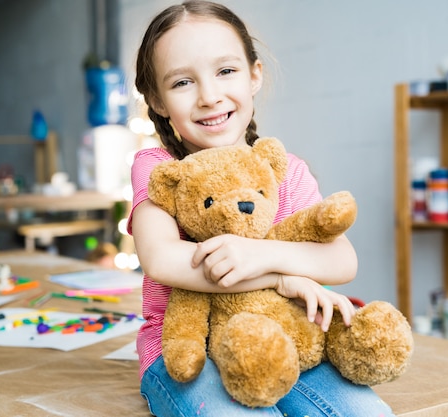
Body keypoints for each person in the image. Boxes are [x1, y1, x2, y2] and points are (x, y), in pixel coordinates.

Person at [128, 1, 396, 416]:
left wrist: (259, 254)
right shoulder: (160, 169)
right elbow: (162, 258)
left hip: (283, 337)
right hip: (184, 350)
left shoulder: (285, 169)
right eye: (182, 82)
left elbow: (342, 259)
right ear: (157, 100)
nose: (210, 96)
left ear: (254, 75)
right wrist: (282, 278)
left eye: (226, 71)